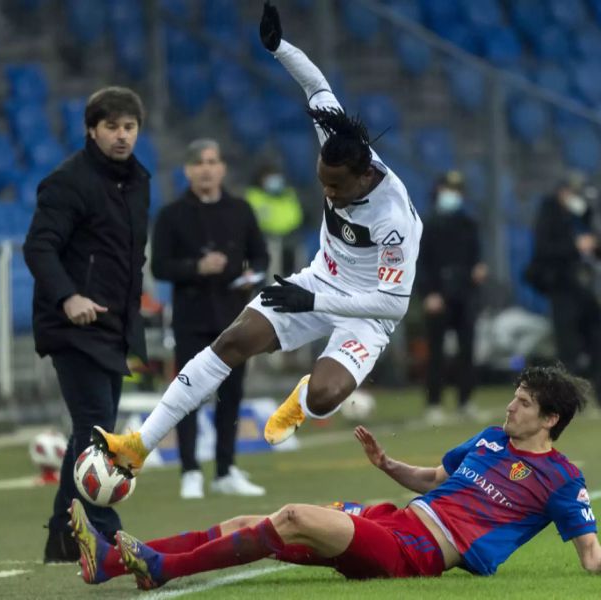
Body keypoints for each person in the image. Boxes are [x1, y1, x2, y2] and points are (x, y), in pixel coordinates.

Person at [91, 1, 423, 478]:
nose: (326, 193)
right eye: (322, 182)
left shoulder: (395, 221)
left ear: (365, 175)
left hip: (367, 310)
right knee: (235, 340)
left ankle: (302, 399)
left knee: (328, 396)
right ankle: (139, 443)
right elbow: (317, 86)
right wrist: (278, 47)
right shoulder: (340, 145)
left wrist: (315, 300)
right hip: (319, 280)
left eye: (335, 187)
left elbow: (393, 304)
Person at [68, 365, 601, 588]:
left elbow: (588, 553)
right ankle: (115, 563)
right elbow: (432, 479)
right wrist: (388, 466)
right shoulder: (490, 439)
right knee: (257, 521)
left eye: (523, 403)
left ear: (550, 419)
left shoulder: (563, 480)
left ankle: (163, 569)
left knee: (292, 516)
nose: (510, 407)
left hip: (420, 552)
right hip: (394, 521)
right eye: (514, 398)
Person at [23, 86, 151, 563]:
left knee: (89, 433)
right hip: (72, 325)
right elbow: (38, 247)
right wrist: (69, 297)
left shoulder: (139, 181)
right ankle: (108, 534)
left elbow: (130, 257)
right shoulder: (67, 182)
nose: (121, 136)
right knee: (96, 433)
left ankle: (62, 536)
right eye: (112, 127)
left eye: (129, 127)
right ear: (91, 130)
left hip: (113, 326)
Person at [151, 138, 269, 499]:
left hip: (234, 318)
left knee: (231, 395)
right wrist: (196, 267)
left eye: (212, 161)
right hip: (191, 317)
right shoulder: (172, 215)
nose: (206, 168)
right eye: (199, 162)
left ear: (222, 168)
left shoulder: (240, 210)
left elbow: (261, 258)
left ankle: (225, 469)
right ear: (188, 170)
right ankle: (189, 470)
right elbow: (159, 266)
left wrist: (252, 277)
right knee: (187, 393)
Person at [525, 172, 601, 413]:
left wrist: (600, 241)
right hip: (563, 287)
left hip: (587, 287)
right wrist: (575, 246)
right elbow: (544, 250)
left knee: (599, 343)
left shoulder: (585, 215)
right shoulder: (549, 217)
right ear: (562, 192)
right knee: (569, 348)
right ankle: (570, 403)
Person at [417, 170, 488, 425]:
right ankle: (434, 404)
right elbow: (420, 262)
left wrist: (479, 269)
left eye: (457, 191)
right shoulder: (427, 224)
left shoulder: (468, 224)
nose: (453, 195)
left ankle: (465, 401)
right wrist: (428, 293)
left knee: (466, 350)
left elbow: (476, 256)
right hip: (438, 293)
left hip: (465, 293)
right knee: (435, 352)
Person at [245, 162, 304, 275]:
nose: (274, 181)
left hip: (290, 237)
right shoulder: (253, 196)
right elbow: (262, 221)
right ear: (260, 180)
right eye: (269, 178)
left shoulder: (288, 194)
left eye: (276, 177)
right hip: (266, 239)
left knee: (300, 252)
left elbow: (296, 216)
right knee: (273, 251)